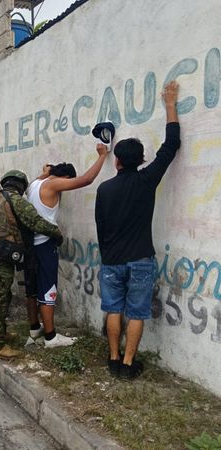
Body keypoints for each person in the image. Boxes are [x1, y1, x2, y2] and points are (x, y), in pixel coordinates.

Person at [96, 80, 180, 379]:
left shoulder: (105, 189)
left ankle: (114, 357)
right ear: (141, 160)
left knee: (114, 309)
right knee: (137, 312)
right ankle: (129, 364)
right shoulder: (146, 181)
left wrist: (107, 255)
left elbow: (100, 227)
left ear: (116, 160)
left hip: (112, 261)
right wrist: (170, 104)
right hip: (141, 259)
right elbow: (171, 148)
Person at [25, 143, 110, 348]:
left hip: (29, 245)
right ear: (65, 178)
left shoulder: (35, 184)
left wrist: (45, 172)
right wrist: (102, 156)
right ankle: (51, 336)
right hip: (45, 244)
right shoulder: (53, 184)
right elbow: (87, 179)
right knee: (48, 289)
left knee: (32, 289)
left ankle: (34, 329)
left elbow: (42, 177)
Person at [0, 170, 63, 358]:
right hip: (0, 256)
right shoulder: (15, 200)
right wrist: (56, 233)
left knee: (2, 295)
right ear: (20, 185)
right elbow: (35, 222)